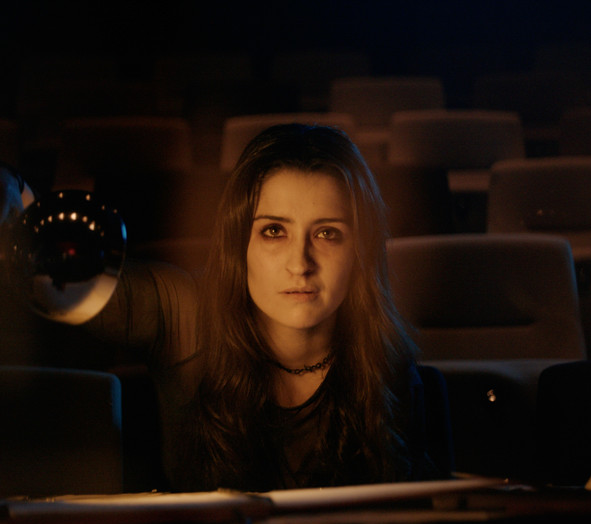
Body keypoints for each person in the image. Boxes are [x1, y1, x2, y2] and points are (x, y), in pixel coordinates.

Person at [0, 124, 440, 492]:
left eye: (327, 233)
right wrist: (11, 194)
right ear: (239, 242)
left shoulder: (385, 359)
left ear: (359, 251)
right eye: (274, 231)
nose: (300, 263)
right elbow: (47, 273)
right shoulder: (183, 313)